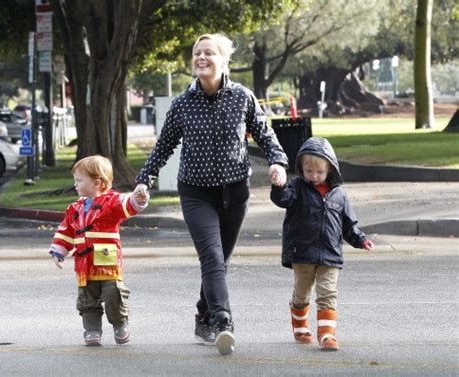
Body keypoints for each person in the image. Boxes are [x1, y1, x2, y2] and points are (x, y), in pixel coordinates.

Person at [133, 33, 288, 355]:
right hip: (196, 192)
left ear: (223, 60)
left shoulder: (242, 97)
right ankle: (222, 321)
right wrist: (144, 180)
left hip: (235, 192)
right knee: (212, 258)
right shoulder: (182, 104)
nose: (201, 58)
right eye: (197, 53)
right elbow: (163, 148)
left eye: (209, 53)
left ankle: (202, 316)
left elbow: (265, 134)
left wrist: (278, 163)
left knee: (220, 261)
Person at [270, 137, 374, 351]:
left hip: (330, 254)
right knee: (302, 293)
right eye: (308, 171)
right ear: (302, 168)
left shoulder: (339, 195)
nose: (313, 176)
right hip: (303, 253)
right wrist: (278, 186)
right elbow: (283, 200)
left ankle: (327, 334)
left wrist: (361, 239)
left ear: (330, 170)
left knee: (328, 293)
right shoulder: (297, 187)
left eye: (319, 172)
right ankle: (300, 326)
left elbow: (348, 225)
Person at [49, 155, 149, 347]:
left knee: (114, 293)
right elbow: (66, 231)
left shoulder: (111, 202)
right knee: (87, 298)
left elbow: (127, 204)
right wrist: (59, 251)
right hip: (84, 264)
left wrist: (138, 198)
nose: (75, 185)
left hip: (107, 261)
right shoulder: (75, 208)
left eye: (79, 181)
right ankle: (92, 330)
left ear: (97, 182)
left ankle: (120, 324)